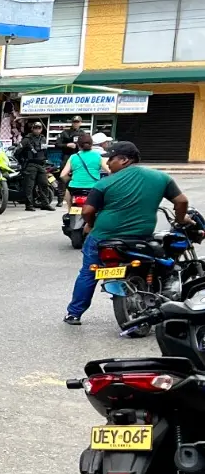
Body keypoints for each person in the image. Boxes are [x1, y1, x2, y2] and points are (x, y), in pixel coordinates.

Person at [64, 142, 190, 325]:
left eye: (111, 159)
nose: (107, 164)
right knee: (157, 263)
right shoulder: (161, 178)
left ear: (124, 160)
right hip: (140, 237)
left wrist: (90, 225)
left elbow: (87, 211)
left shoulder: (104, 183)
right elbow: (181, 202)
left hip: (103, 237)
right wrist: (180, 220)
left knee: (88, 273)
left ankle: (74, 314)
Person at [15, 121, 52, 212]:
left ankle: (45, 204)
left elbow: (45, 151)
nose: (37, 130)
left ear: (41, 129)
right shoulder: (27, 139)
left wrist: (45, 160)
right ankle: (29, 205)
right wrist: (22, 162)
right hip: (31, 164)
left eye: (39, 128)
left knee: (44, 184)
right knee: (29, 186)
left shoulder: (43, 139)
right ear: (32, 129)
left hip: (41, 164)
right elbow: (17, 152)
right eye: (35, 128)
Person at [59, 133, 107, 201]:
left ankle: (71, 210)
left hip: (74, 188)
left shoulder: (73, 157)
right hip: (93, 188)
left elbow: (62, 175)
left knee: (67, 192)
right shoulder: (97, 156)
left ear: (78, 145)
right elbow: (110, 171)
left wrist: (71, 181)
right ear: (92, 144)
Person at [55, 117, 87, 206]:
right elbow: (57, 144)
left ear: (81, 123)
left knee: (78, 177)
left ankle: (76, 198)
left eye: (77, 122)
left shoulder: (83, 133)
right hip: (67, 156)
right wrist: (67, 145)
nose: (76, 124)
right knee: (63, 177)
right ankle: (60, 200)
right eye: (74, 122)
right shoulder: (65, 133)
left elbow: (87, 145)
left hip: (79, 157)